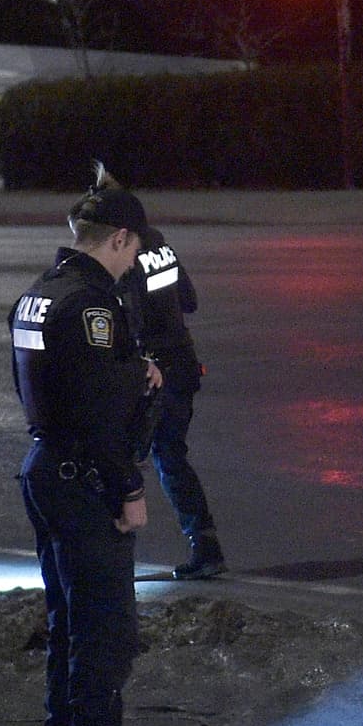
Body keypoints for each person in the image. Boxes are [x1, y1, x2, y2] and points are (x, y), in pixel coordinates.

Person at [10, 175, 178, 726]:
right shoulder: (93, 306)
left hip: (46, 469)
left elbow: (47, 385)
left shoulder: (38, 296)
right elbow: (101, 414)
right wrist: (129, 487)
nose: (136, 262)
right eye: (134, 250)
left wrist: (129, 371)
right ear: (120, 238)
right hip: (85, 481)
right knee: (105, 631)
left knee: (68, 625)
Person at [122, 208, 227, 582]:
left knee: (122, 461)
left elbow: (130, 318)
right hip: (183, 363)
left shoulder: (124, 253)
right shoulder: (160, 245)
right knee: (171, 458)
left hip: (152, 371)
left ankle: (116, 560)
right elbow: (190, 300)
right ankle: (206, 546)